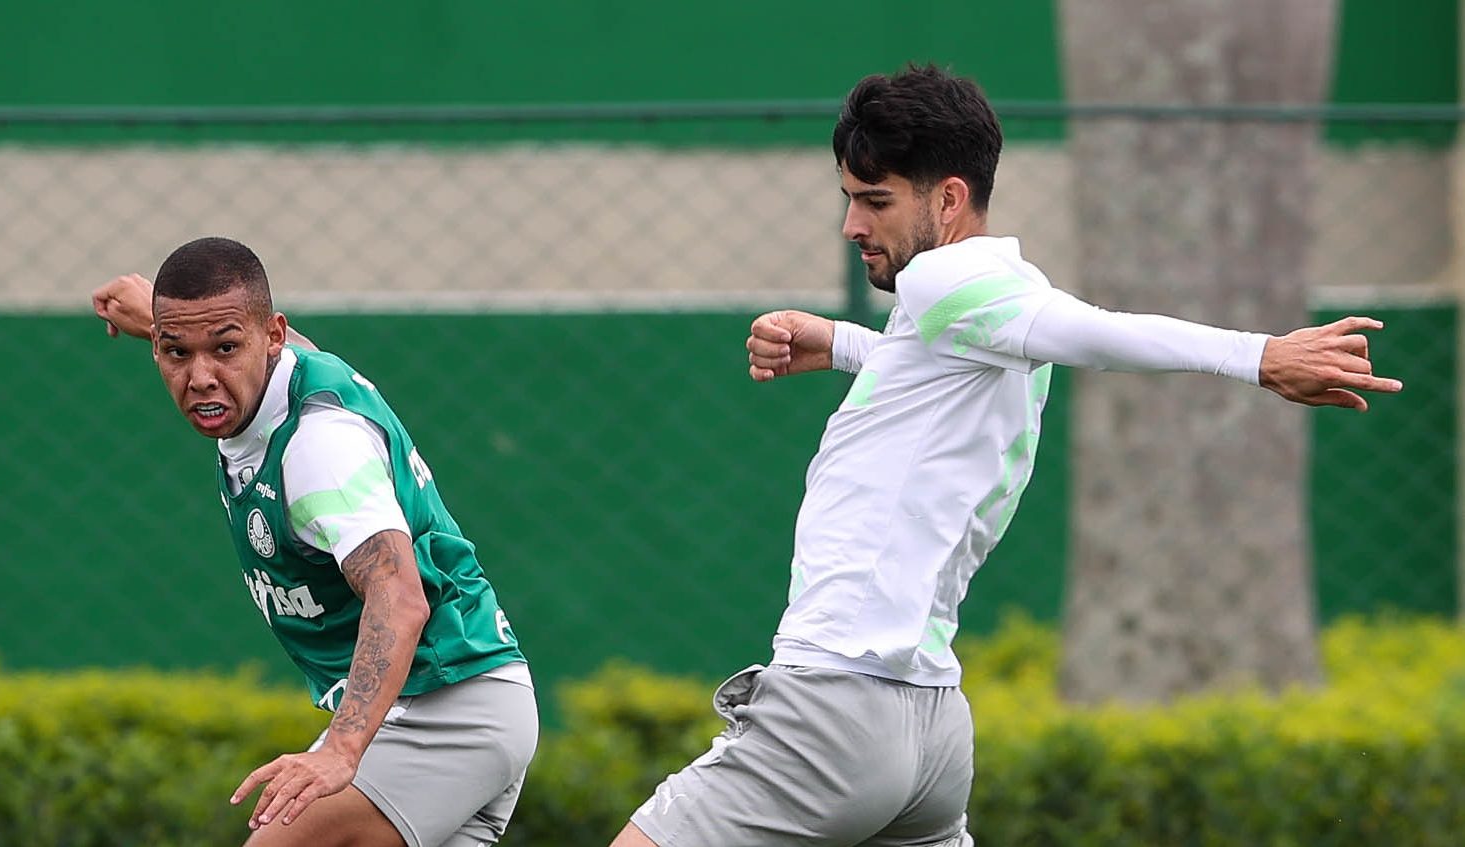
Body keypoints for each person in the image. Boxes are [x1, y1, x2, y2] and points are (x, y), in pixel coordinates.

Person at [612, 65, 1403, 847]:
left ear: (948, 198)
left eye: (874, 200)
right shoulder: (989, 294)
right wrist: (842, 342)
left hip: (834, 700)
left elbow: (1093, 331)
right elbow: (943, 364)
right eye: (850, 198)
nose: (852, 225)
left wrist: (1257, 354)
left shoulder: (946, 282)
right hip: (928, 731)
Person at [92, 237, 537, 847]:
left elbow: (400, 598)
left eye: (225, 348)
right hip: (456, 705)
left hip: (442, 706)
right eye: (176, 352)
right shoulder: (284, 373)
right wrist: (157, 319)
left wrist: (341, 753)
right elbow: (228, 341)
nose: (200, 378)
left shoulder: (318, 449)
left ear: (270, 335)